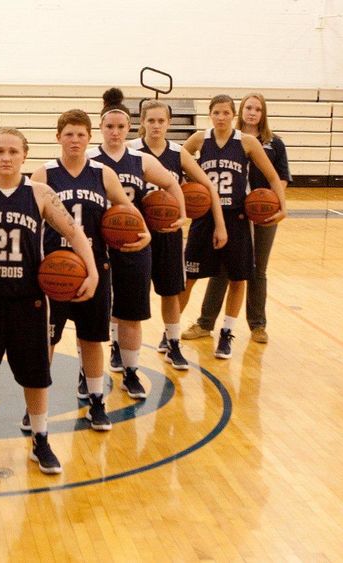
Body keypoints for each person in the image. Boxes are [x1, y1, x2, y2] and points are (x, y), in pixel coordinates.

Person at [0, 128, 98, 471]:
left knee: (36, 377)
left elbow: (73, 232)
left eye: (12, 151)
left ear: (25, 155)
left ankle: (40, 439)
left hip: (30, 301)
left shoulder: (40, 194)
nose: (6, 158)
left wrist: (92, 271)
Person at [30, 109, 138, 431]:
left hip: (95, 268)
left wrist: (143, 230)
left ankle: (96, 401)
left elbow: (125, 209)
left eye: (80, 134)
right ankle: (37, 407)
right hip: (54, 267)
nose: (74, 139)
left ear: (89, 138)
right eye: (68, 133)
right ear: (58, 136)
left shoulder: (103, 173)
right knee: (45, 341)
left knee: (92, 339)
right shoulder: (43, 174)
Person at [87, 88, 184, 396]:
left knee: (132, 310)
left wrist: (180, 214)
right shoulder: (89, 158)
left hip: (134, 244)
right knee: (91, 316)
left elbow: (171, 182)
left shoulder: (139, 160)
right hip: (99, 246)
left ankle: (130, 371)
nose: (115, 132)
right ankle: (86, 372)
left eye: (120, 127)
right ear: (100, 128)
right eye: (109, 127)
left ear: (129, 128)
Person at [179, 94, 286, 359]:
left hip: (236, 217)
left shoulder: (247, 142)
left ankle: (226, 333)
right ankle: (171, 333)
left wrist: (283, 206)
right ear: (210, 114)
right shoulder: (198, 139)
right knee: (188, 278)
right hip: (204, 217)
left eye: (226, 112)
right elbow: (176, 162)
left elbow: (273, 175)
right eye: (217, 112)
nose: (222, 117)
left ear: (231, 114)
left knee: (239, 277)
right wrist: (183, 187)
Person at [129, 100, 227, 369]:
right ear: (142, 123)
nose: (157, 126)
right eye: (151, 121)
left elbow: (207, 186)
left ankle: (172, 344)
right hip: (135, 233)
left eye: (162, 121)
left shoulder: (178, 153)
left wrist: (219, 224)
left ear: (169, 123)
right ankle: (117, 346)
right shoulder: (131, 152)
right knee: (127, 294)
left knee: (171, 292)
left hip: (169, 233)